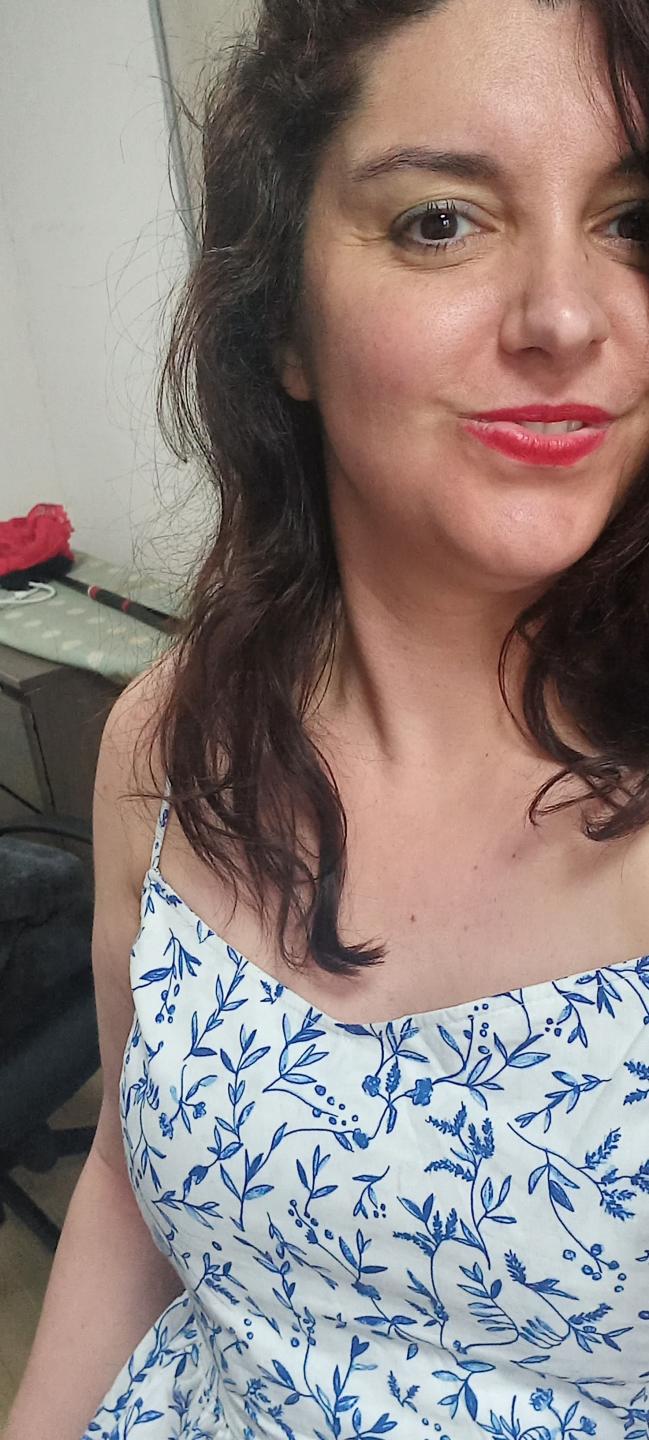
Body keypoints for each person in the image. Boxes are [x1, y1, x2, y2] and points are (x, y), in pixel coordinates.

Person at [6, 0, 649, 1434]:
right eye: (440, 221)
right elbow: (125, 1176)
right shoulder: (168, 740)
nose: (566, 315)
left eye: (632, 224)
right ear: (281, 323)